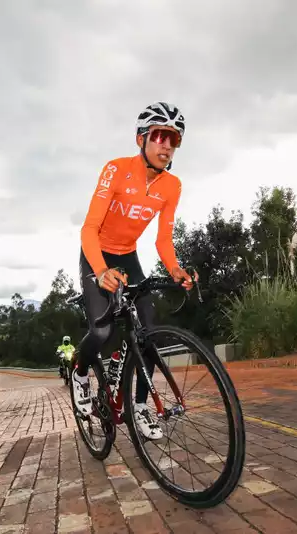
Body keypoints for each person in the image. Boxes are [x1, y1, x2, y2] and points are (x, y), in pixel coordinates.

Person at [73, 101, 197, 440]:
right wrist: (99, 271)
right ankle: (81, 374)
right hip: (97, 252)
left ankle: (140, 407)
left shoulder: (172, 186)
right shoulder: (116, 169)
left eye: (174, 139)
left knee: (149, 336)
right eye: (159, 136)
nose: (167, 146)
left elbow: (163, 240)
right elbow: (88, 229)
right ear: (141, 138)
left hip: (128, 256)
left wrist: (175, 269)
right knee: (99, 332)